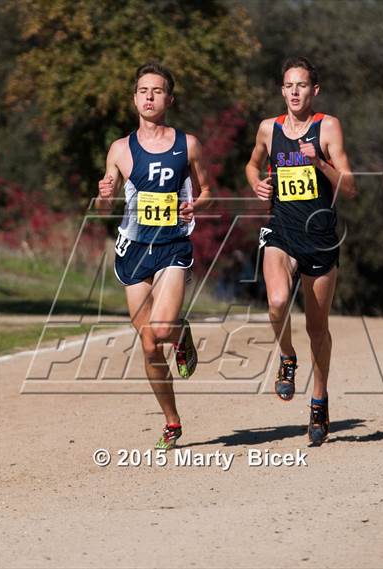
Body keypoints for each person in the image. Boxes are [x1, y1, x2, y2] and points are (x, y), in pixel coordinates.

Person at [96, 62, 211, 450]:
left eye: (157, 91)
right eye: (143, 90)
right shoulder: (119, 149)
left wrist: (197, 205)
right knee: (148, 344)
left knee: (160, 330)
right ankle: (172, 422)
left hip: (172, 248)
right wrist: (105, 194)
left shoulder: (188, 144)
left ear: (169, 99)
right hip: (132, 252)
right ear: (134, 98)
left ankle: (178, 333)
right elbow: (102, 206)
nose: (149, 96)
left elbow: (207, 189)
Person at [246, 56, 356, 445]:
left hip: (321, 238)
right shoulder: (268, 129)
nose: (295, 92)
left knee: (316, 328)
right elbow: (252, 165)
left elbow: (350, 187)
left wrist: (321, 163)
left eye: (302, 85)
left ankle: (320, 398)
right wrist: (257, 183)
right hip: (281, 231)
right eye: (289, 85)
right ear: (282, 90)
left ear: (314, 90)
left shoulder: (327, 127)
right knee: (276, 303)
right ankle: (287, 358)